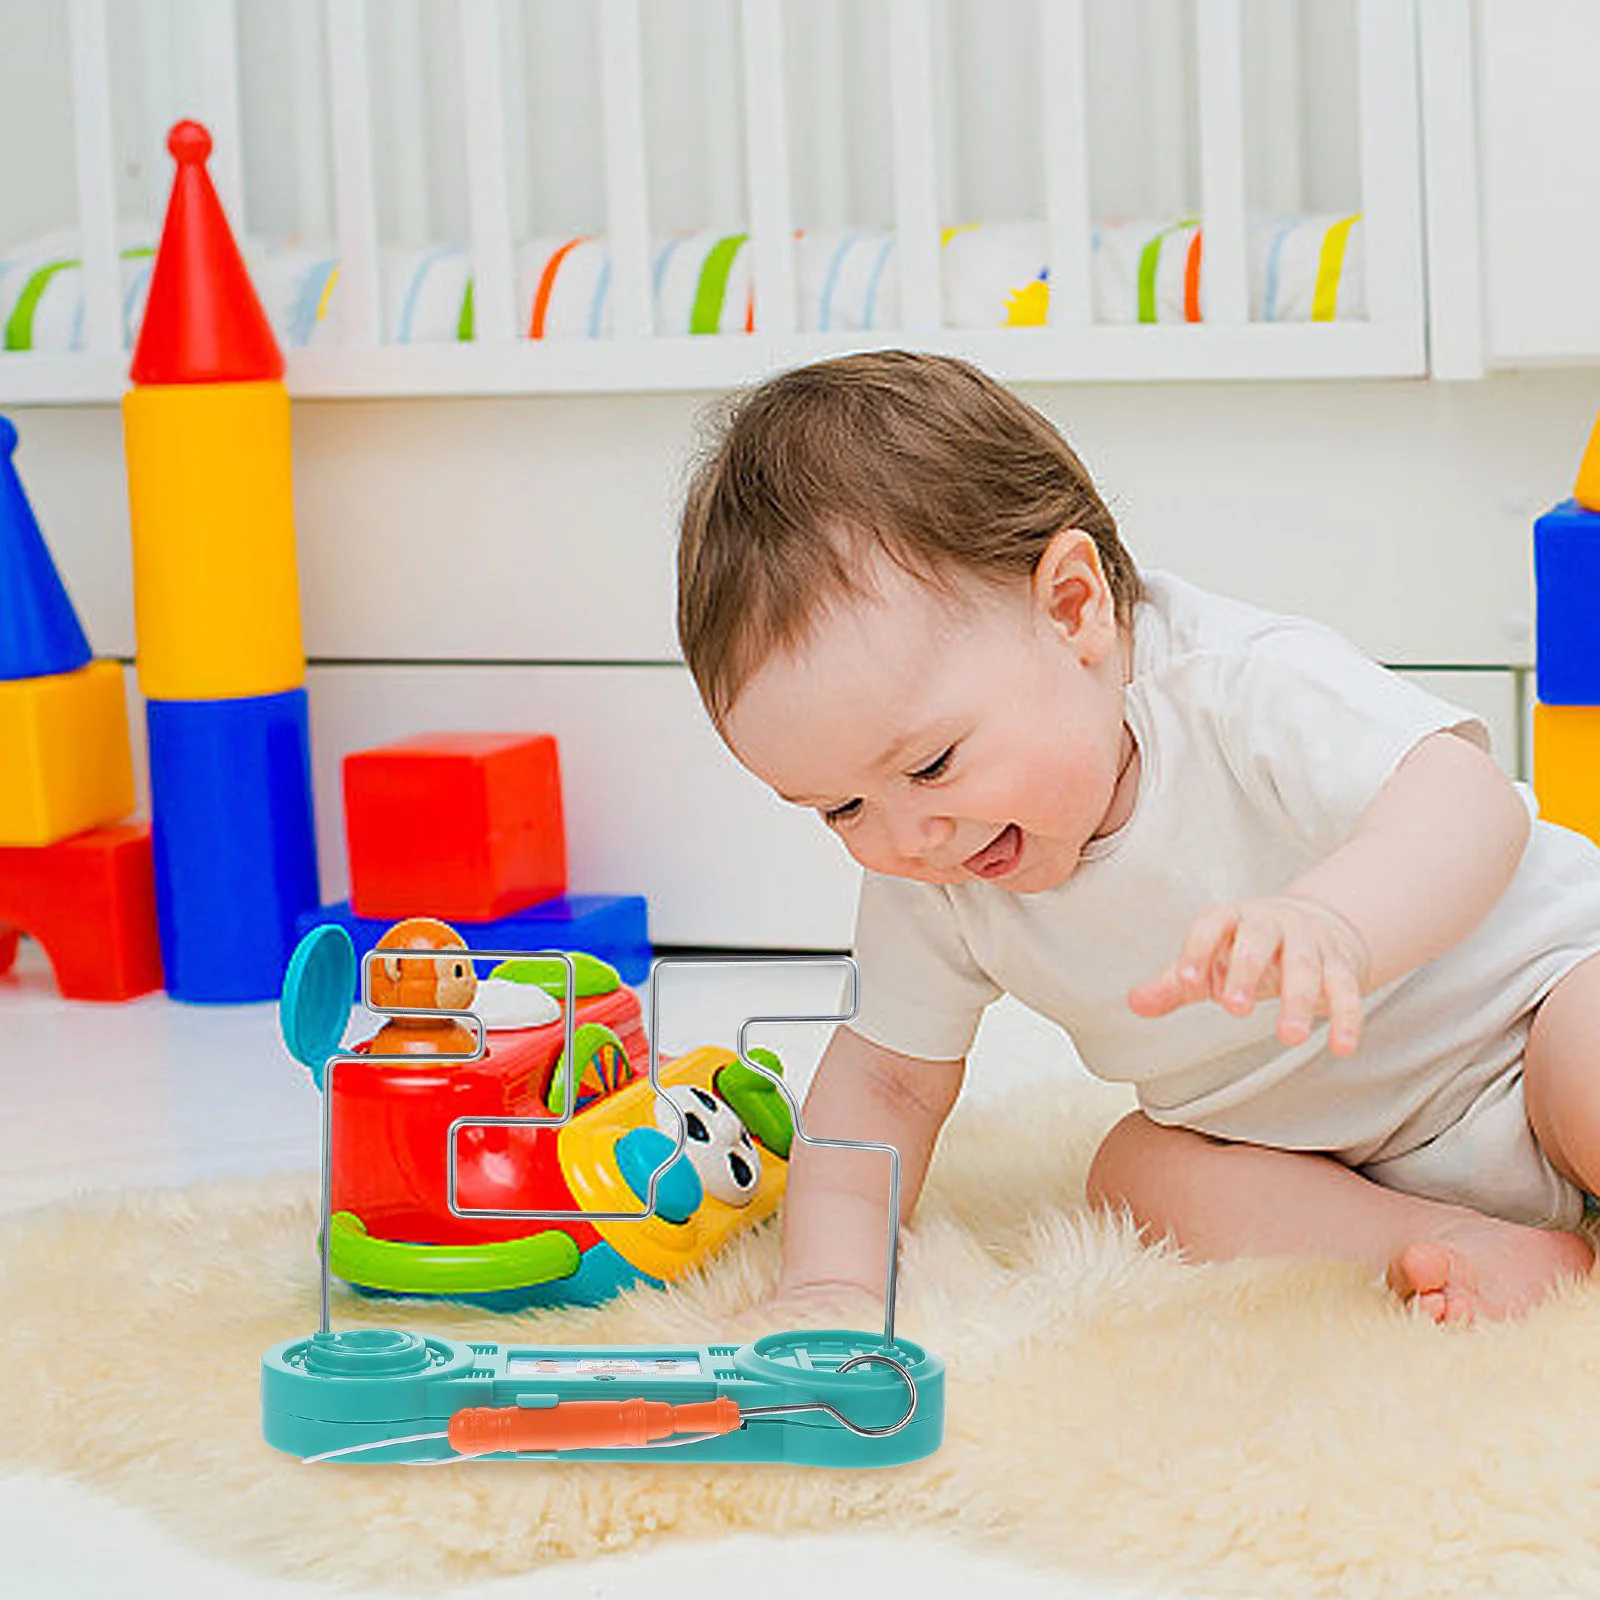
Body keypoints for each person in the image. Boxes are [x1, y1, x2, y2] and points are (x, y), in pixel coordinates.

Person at [676, 350, 1600, 1327]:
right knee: (1135, 1173)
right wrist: (830, 1285)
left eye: (932, 764)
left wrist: (1335, 919)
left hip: (1527, 1020)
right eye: (839, 808)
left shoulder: (1234, 691)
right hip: (1324, 1144)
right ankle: (1458, 1241)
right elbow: (885, 1082)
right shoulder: (933, 866)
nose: (907, 836)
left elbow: (1468, 801)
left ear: (1072, 608)